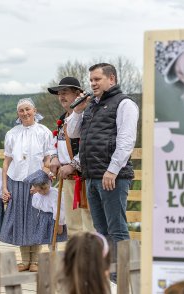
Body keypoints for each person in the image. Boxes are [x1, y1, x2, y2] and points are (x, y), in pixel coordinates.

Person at [67, 63, 139, 282]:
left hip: (112, 177)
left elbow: (126, 141)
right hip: (91, 176)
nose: (93, 83)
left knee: (117, 228)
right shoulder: (90, 106)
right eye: (91, 80)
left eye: (97, 79)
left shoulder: (124, 104)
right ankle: (108, 273)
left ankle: (124, 276)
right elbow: (72, 132)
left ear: (112, 79)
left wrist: (112, 170)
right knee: (100, 228)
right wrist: (77, 111)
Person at [0, 97, 55, 273]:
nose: (25, 113)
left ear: (35, 111)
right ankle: (24, 260)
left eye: (28, 110)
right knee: (21, 220)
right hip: (17, 182)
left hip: (37, 182)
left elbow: (48, 159)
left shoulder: (43, 132)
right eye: (21, 110)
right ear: (18, 114)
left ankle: (36, 260)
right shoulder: (12, 133)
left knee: (36, 219)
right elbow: (7, 162)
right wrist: (4, 187)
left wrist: (41, 183)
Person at [48, 77, 95, 237]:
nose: (61, 96)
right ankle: (77, 259)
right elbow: (55, 142)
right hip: (67, 177)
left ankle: (92, 259)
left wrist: (73, 165)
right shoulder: (62, 119)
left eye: (65, 92)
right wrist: (54, 157)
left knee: (89, 222)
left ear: (77, 94)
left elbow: (90, 144)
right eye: (59, 93)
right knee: (73, 224)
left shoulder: (87, 116)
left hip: (83, 177)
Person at [24, 169, 67, 250]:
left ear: (49, 183)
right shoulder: (37, 194)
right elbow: (36, 205)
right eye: (40, 190)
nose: (43, 192)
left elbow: (59, 210)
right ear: (36, 188)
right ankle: (51, 255)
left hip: (53, 219)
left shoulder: (55, 194)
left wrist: (59, 223)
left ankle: (54, 255)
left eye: (45, 188)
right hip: (43, 218)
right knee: (47, 240)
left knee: (53, 241)